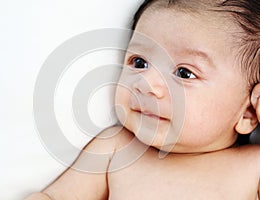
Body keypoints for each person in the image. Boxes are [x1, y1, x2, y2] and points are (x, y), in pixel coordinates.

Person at [25, 0, 260, 199]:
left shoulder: (252, 167)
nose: (146, 84)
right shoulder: (116, 148)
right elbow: (57, 196)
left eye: (184, 73)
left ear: (248, 113)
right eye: (139, 62)